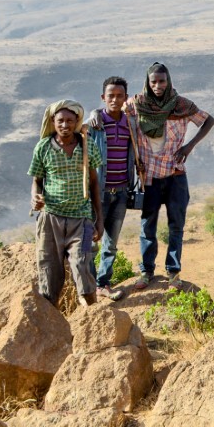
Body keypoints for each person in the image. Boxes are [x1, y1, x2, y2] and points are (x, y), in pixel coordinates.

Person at [130, 62, 214, 289]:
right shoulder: (137, 104)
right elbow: (113, 112)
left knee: (176, 225)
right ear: (147, 83)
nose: (158, 86)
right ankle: (147, 272)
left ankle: (173, 272)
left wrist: (189, 146)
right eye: (153, 81)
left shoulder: (181, 105)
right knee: (148, 226)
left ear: (169, 81)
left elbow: (208, 120)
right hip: (149, 177)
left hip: (176, 175)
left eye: (162, 81)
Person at [28, 99, 104, 307]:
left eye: (70, 121)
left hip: (81, 218)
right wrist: (35, 197)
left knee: (82, 265)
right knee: (49, 271)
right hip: (50, 219)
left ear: (77, 121)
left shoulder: (87, 146)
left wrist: (99, 220)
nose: (65, 125)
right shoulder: (43, 147)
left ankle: (92, 314)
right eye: (60, 121)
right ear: (53, 121)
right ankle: (51, 323)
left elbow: (95, 184)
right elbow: (37, 180)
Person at [86, 76, 138, 301]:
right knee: (91, 241)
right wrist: (93, 113)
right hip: (99, 193)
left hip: (122, 191)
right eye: (111, 96)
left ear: (126, 98)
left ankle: (103, 284)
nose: (115, 100)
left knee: (111, 243)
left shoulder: (130, 123)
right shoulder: (94, 124)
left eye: (120, 96)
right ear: (102, 98)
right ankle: (88, 288)